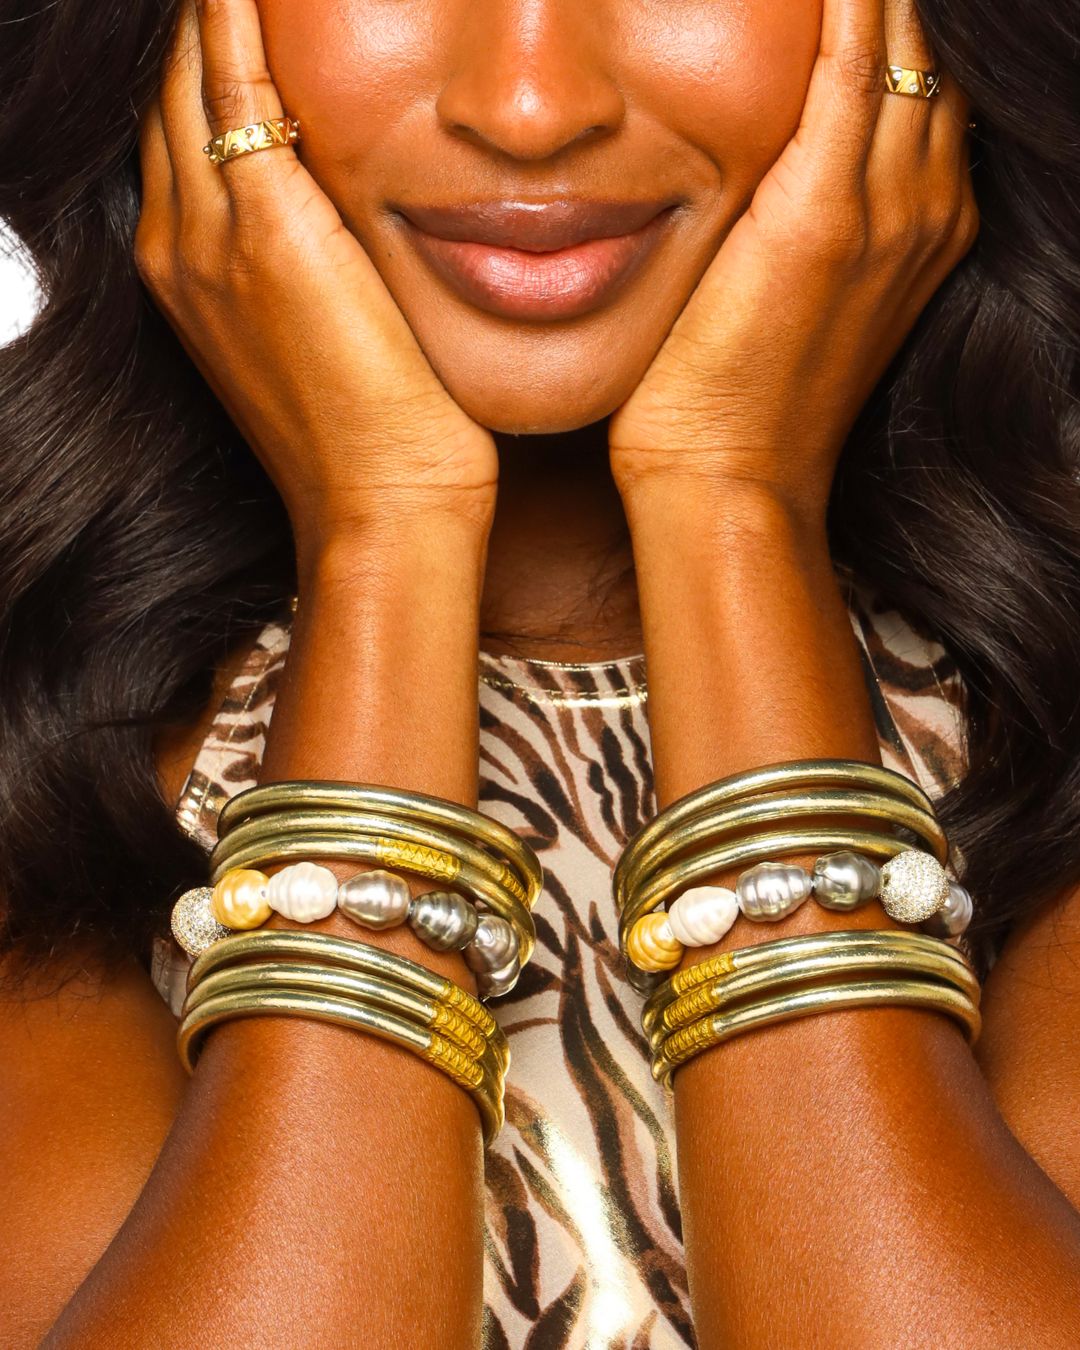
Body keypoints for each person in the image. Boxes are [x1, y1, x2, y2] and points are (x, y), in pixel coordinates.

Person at [2, 0, 1080, 1345]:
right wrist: (384, 539)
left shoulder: (1050, 702)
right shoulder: (40, 729)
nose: (529, 105)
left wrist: (729, 505)